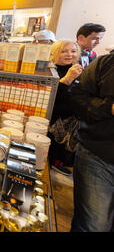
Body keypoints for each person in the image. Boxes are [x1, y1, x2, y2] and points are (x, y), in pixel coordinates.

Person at [70, 48, 113, 232]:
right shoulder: (106, 64)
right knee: (94, 224)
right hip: (99, 154)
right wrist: (108, 108)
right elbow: (77, 97)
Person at [48, 40, 83, 176]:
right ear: (55, 53)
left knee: (60, 147)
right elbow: (53, 98)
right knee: (51, 146)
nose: (69, 54)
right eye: (64, 51)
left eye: (73, 51)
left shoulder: (77, 68)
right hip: (54, 119)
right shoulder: (51, 70)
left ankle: (56, 163)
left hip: (69, 120)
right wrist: (68, 79)